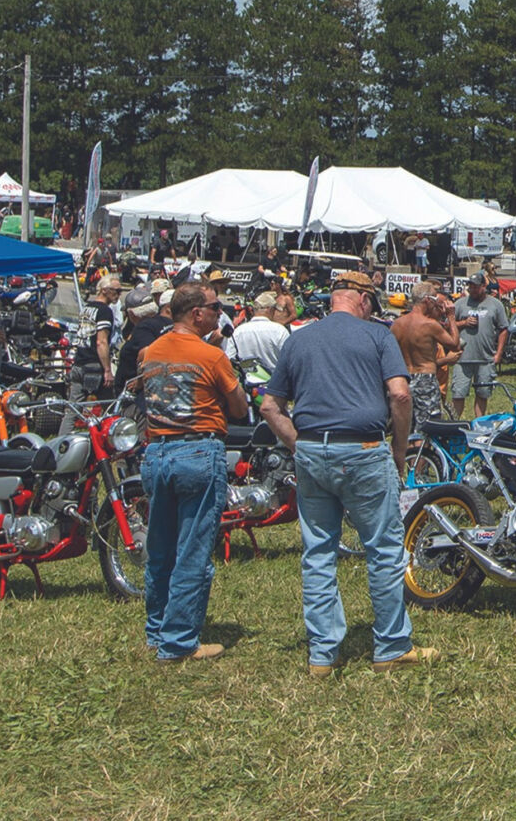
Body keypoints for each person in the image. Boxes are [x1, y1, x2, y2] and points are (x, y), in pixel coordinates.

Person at [260, 271, 439, 675]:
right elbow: (400, 393)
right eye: (372, 302)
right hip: (363, 449)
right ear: (361, 299)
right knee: (383, 549)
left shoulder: (298, 338)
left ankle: (323, 655)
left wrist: (297, 444)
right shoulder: (377, 337)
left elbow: (270, 406)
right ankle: (391, 646)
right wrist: (398, 450)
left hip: (311, 449)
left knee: (319, 552)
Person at [136, 283, 248, 663]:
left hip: (156, 452)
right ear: (196, 314)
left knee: (161, 549)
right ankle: (179, 641)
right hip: (198, 451)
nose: (220, 313)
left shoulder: (149, 352)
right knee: (193, 552)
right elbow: (238, 408)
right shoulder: (210, 355)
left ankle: (157, 630)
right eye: (215, 308)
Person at [392, 285, 459, 430]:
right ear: (427, 300)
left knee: (405, 427)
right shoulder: (429, 325)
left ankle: (409, 452)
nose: (437, 304)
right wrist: (451, 317)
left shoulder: (397, 324)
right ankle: (423, 452)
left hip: (404, 378)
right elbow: (454, 344)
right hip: (425, 378)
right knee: (428, 428)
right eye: (435, 299)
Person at [451, 272, 508, 418]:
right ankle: (453, 424)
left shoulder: (495, 304)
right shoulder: (460, 304)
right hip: (462, 358)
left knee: (483, 394)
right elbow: (448, 326)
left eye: (476, 287)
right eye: (470, 287)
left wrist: (499, 353)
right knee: (458, 394)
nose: (472, 290)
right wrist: (463, 323)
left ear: (484, 286)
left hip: (485, 358)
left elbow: (503, 329)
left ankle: (479, 424)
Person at [116, 290, 175, 393]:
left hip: (140, 394)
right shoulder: (168, 322)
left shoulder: (143, 328)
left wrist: (141, 380)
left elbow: (147, 352)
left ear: (131, 314)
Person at [225, 291, 295, 376]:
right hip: (274, 383)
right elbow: (290, 360)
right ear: (270, 309)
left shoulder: (238, 332)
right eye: (274, 310)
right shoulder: (280, 331)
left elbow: (228, 359)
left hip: (247, 382)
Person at [75, 276, 122, 401]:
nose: (118, 295)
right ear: (104, 290)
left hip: (78, 363)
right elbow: (101, 342)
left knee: (73, 409)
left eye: (120, 291)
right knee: (109, 406)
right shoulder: (104, 311)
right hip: (94, 365)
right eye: (116, 291)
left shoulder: (86, 307)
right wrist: (107, 370)